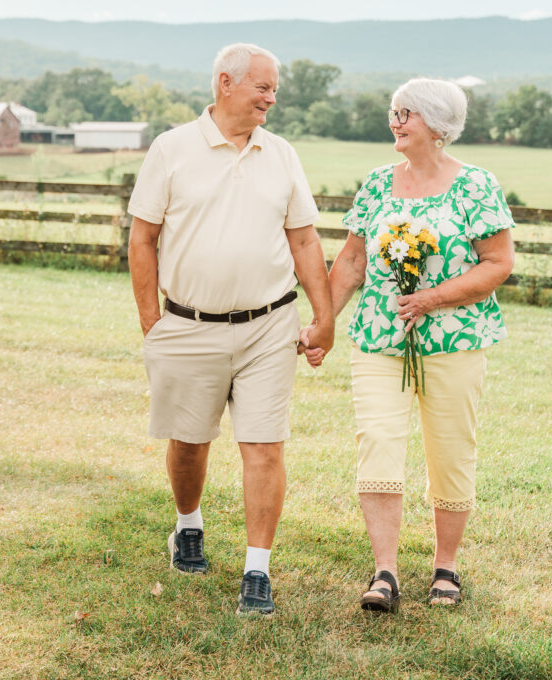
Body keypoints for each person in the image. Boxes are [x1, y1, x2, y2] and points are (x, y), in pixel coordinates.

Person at [127, 42, 334, 616]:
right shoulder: (171, 150)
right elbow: (142, 239)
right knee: (190, 441)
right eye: (262, 87)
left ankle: (256, 572)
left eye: (274, 90)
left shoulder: (282, 154)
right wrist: (153, 324)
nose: (271, 98)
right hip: (188, 324)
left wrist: (324, 316)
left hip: (270, 324)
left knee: (264, 446)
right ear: (225, 83)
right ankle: (188, 526)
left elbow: (304, 240)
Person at [326, 77, 515, 613]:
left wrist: (431, 298)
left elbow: (498, 263)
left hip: (456, 341)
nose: (395, 121)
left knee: (450, 450)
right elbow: (352, 262)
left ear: (436, 124)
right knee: (378, 442)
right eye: (393, 111)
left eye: (405, 113)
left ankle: (446, 567)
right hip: (377, 340)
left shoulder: (476, 184)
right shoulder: (378, 183)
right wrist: (323, 322)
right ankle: (384, 572)